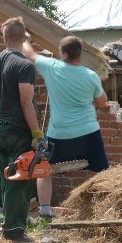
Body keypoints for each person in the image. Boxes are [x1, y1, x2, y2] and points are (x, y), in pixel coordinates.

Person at [22, 35, 109, 218]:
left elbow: (29, 53)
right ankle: (100, 212)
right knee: (101, 172)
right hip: (88, 133)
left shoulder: (52, 68)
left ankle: (45, 213)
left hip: (59, 136)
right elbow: (103, 104)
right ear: (80, 54)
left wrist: (25, 37)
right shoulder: (91, 76)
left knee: (44, 170)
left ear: (62, 53)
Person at [0, 16, 44, 241]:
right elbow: (27, 103)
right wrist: (36, 134)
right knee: (20, 179)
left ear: (5, 37)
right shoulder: (25, 66)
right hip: (19, 130)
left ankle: (9, 224)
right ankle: (15, 231)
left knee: (6, 178)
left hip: (1, 129)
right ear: (24, 37)